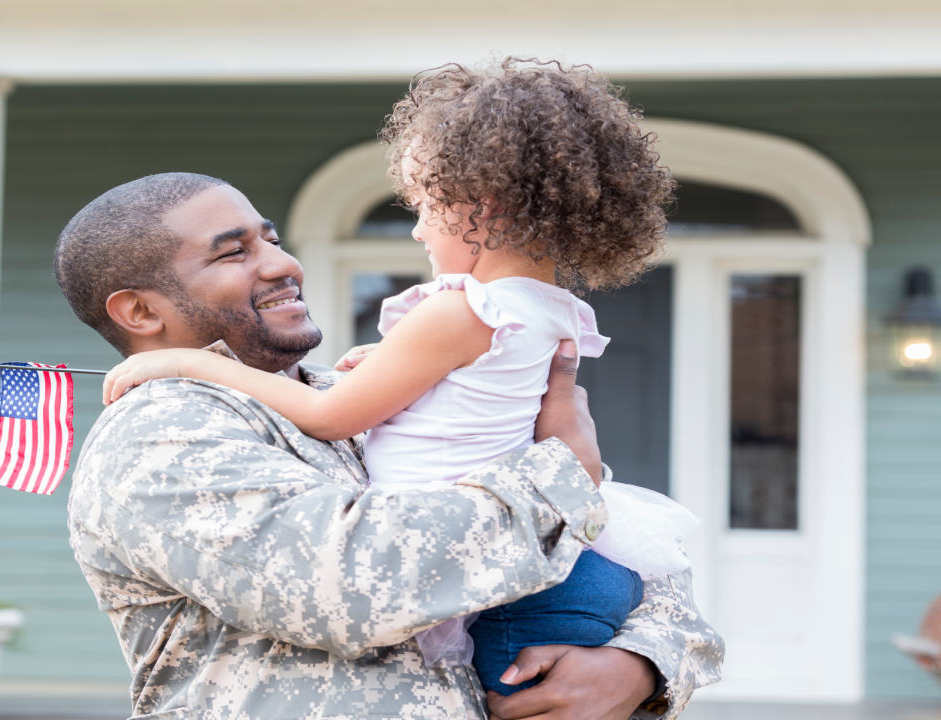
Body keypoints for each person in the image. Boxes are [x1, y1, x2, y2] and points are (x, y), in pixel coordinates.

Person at [103, 60, 702, 698]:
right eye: (234, 251)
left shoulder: (444, 329)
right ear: (141, 312)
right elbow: (353, 590)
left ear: (482, 210)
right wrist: (567, 476)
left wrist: (640, 667)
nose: (284, 263)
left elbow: (663, 603)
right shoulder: (164, 434)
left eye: (274, 240)